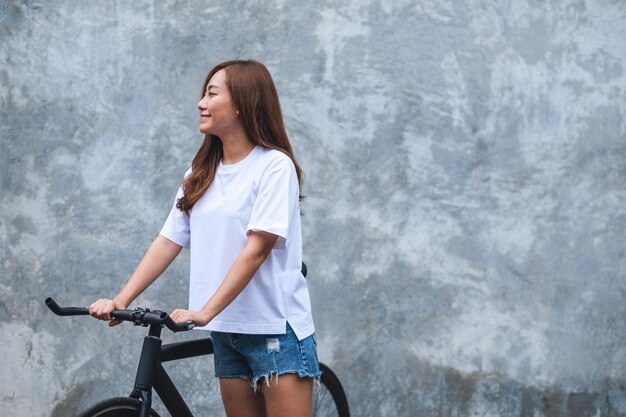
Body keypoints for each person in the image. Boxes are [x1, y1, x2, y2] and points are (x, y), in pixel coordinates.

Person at [89, 59, 320, 417]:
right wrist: (120, 299)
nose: (201, 103)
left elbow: (257, 249)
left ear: (243, 102)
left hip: (275, 326)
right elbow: (168, 241)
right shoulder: (199, 174)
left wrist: (204, 311)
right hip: (227, 331)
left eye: (212, 94)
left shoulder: (274, 166)